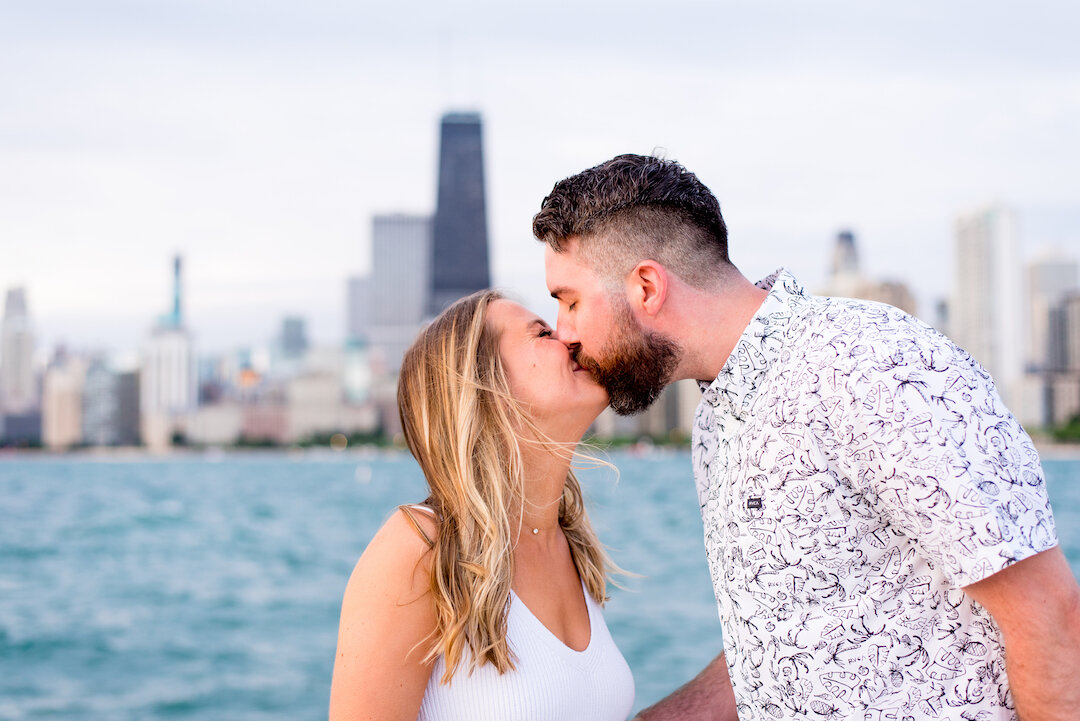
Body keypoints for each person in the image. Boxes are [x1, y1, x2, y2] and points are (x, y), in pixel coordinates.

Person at [533, 153, 1080, 721]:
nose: (564, 332)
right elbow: (792, 636)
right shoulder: (717, 420)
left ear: (647, 286)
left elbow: (1049, 617)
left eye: (569, 301)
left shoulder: (869, 364)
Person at [328, 290, 635, 721]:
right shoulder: (419, 548)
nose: (570, 337)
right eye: (543, 332)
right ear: (487, 386)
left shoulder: (572, 546)